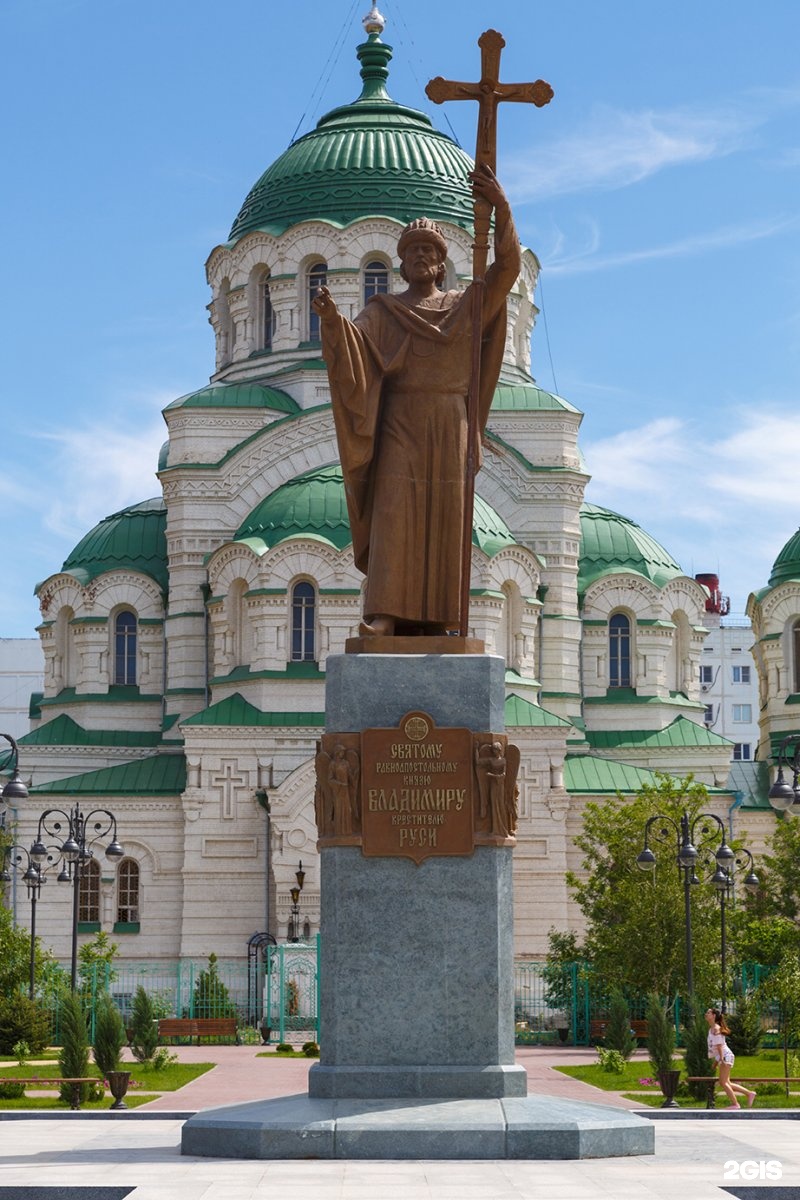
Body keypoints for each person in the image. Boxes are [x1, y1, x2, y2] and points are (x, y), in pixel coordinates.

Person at [312, 163, 521, 637]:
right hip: (401, 420)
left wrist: (502, 206)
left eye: (430, 250)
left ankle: (446, 618)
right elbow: (355, 352)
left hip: (451, 420)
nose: (422, 256)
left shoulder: (466, 304)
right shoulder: (384, 311)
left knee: (447, 515)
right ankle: (384, 614)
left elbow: (506, 268)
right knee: (395, 512)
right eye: (413, 251)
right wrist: (330, 319)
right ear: (401, 264)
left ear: (442, 262)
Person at [705, 1007, 756, 1109]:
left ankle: (735, 1104)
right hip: (724, 1056)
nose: (706, 1014)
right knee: (727, 1082)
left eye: (708, 1013)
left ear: (714, 1016)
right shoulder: (712, 1029)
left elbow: (720, 1046)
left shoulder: (716, 1029)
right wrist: (716, 1062)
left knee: (723, 1082)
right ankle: (749, 1093)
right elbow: (717, 1047)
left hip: (725, 1056)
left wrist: (722, 1060)